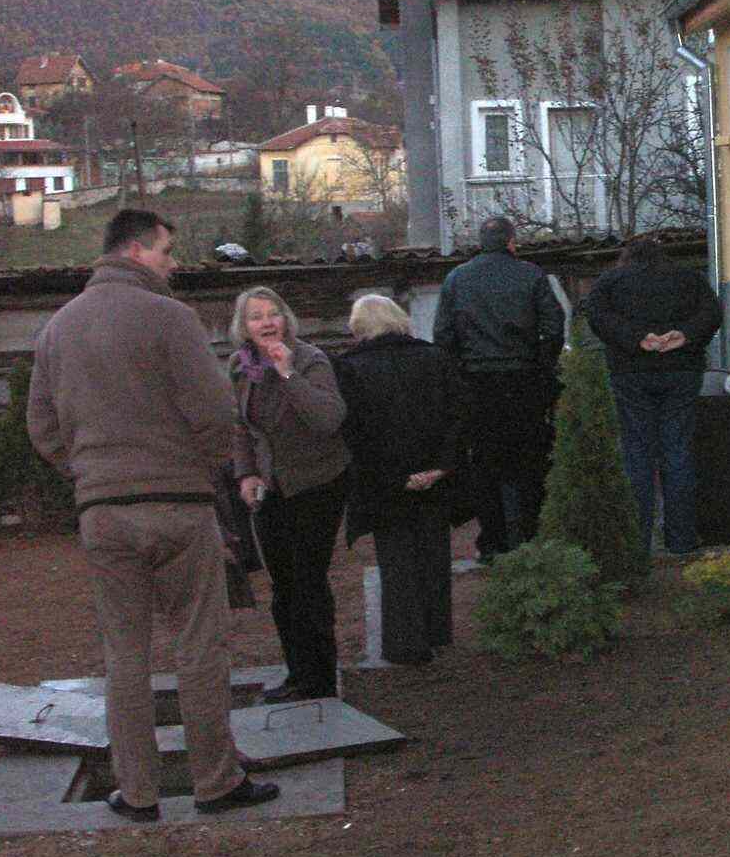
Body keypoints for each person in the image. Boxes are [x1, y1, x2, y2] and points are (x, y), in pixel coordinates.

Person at [28, 210, 278, 820]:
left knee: (124, 655)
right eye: (167, 250)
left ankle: (137, 792)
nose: (174, 262)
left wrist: (88, 472)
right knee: (199, 644)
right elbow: (215, 412)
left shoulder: (57, 328)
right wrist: (195, 468)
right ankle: (215, 781)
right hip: (178, 506)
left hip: (102, 511)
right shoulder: (170, 317)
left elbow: (42, 427)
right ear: (137, 250)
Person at [333, 295, 471, 665]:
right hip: (434, 474)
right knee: (434, 553)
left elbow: (355, 434)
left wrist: (395, 477)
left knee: (397, 560)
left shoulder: (349, 368)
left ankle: (406, 642)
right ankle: (436, 630)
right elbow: (458, 415)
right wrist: (441, 467)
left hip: (385, 482)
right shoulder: (435, 358)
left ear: (358, 327)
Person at [229, 286, 350, 703]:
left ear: (286, 319)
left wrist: (287, 374)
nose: (266, 322)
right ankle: (298, 673)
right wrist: (246, 473)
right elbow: (240, 426)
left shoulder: (310, 360)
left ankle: (321, 679)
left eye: (273, 314)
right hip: (272, 487)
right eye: (256, 316)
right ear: (244, 327)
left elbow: (328, 419)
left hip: (317, 482)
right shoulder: (241, 366)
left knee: (308, 579)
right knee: (283, 585)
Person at [432, 217, 564, 560]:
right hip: (524, 381)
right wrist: (541, 365)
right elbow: (553, 326)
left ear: (481, 243)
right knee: (529, 462)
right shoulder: (531, 274)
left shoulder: (457, 278)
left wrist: (459, 374)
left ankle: (493, 542)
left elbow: (443, 335)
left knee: (485, 464)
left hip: (477, 383)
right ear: (511, 242)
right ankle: (530, 537)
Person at [582, 235, 723, 556]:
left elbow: (596, 314)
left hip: (630, 373)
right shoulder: (688, 278)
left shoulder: (611, 281)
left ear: (627, 257)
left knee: (637, 455)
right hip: (682, 371)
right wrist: (684, 335)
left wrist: (636, 338)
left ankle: (637, 542)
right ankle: (681, 540)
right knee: (678, 452)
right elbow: (712, 313)